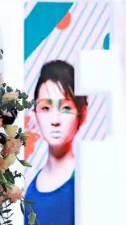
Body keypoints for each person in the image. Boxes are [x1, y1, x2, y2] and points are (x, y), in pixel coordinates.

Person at [24, 60, 88, 225]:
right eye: (46, 108)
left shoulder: (89, 181)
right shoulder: (28, 189)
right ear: (35, 113)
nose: (55, 120)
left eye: (66, 108)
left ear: (82, 113)